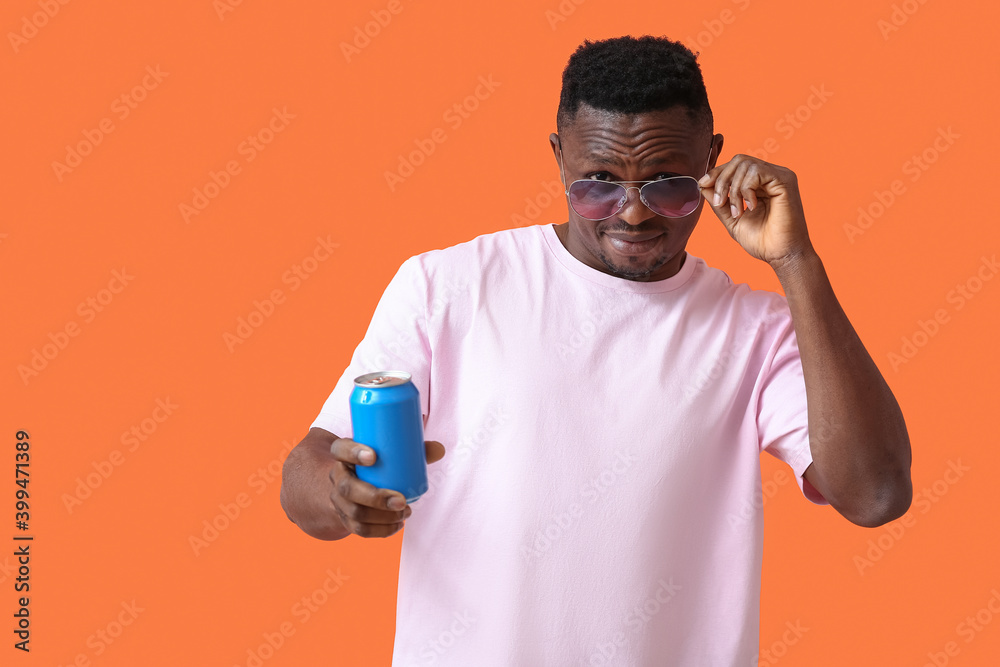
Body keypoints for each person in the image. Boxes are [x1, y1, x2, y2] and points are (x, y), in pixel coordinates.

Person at [280, 34, 912, 666]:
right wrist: (341, 491)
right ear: (559, 159)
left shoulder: (755, 330)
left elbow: (876, 494)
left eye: (668, 185)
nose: (633, 214)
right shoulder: (448, 287)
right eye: (599, 184)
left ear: (711, 159)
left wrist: (796, 262)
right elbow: (306, 472)